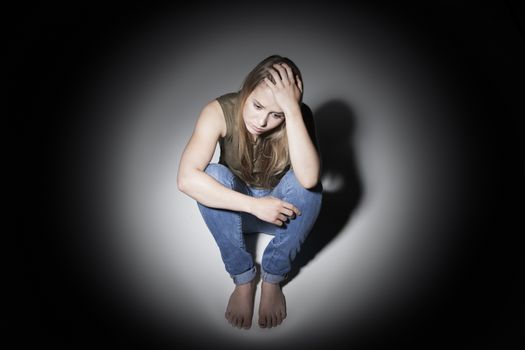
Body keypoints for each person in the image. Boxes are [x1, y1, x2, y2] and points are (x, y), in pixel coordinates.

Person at [177, 55, 322, 329]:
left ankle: (273, 278)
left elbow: (309, 178)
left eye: (276, 114)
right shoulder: (218, 111)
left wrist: (293, 112)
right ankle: (243, 279)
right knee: (211, 174)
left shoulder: (298, 116)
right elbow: (186, 179)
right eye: (257, 106)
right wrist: (254, 206)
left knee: (311, 188)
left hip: (281, 214)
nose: (262, 121)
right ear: (247, 89)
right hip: (234, 211)